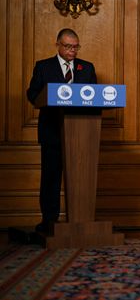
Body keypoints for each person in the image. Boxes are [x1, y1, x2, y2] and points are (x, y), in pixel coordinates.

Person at [26, 28, 97, 233]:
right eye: (67, 46)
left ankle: (82, 221)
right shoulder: (43, 67)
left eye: (75, 47)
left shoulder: (87, 68)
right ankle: (49, 221)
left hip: (82, 132)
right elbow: (32, 94)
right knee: (51, 177)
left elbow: (95, 96)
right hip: (52, 132)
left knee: (81, 178)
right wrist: (47, 96)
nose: (72, 51)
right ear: (58, 45)